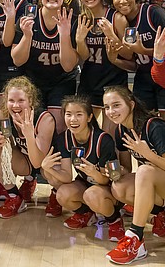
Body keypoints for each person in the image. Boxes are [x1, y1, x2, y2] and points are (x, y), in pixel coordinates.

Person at [103, 86, 165, 264]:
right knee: (119, 187)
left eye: (116, 105)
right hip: (157, 185)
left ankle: (135, 237)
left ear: (131, 105)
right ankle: (162, 214)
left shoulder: (154, 126)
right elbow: (126, 168)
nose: (111, 111)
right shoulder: (120, 130)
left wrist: (148, 155)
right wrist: (114, 171)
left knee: (145, 170)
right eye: (107, 107)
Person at [103, 0, 165, 117]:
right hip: (143, 78)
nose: (123, 1)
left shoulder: (153, 12)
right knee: (143, 123)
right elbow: (135, 65)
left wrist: (143, 50)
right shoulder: (119, 22)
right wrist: (115, 60)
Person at [12, 0, 79, 132]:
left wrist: (64, 35)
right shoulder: (26, 19)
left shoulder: (74, 21)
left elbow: (68, 66)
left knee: (58, 125)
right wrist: (27, 36)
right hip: (32, 80)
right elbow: (17, 60)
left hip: (62, 80)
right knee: (32, 125)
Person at [42, 95, 118, 232]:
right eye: (68, 114)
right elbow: (66, 176)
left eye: (79, 114)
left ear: (89, 117)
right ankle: (87, 214)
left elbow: (108, 179)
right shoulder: (64, 138)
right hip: (85, 184)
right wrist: (48, 168)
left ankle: (115, 220)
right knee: (62, 194)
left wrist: (94, 173)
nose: (73, 119)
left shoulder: (103, 140)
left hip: (108, 188)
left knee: (92, 195)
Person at [0, 77, 56, 218]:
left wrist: (29, 135)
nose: (15, 105)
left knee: (49, 171)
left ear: (30, 101)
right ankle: (15, 197)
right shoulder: (4, 115)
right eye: (11, 101)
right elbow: (7, 147)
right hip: (26, 160)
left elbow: (38, 162)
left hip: (48, 163)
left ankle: (56, 195)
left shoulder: (45, 119)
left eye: (21, 101)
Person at [74, 0, 128, 134]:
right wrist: (79, 40)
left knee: (109, 135)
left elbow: (127, 53)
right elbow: (83, 56)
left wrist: (112, 35)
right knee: (84, 132)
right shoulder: (82, 19)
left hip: (114, 81)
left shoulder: (117, 17)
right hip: (89, 81)